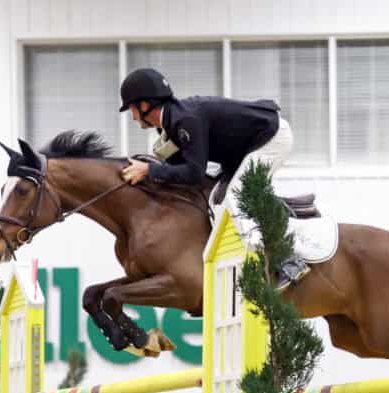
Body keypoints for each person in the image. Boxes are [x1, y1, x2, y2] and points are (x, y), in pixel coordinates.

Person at [117, 67, 309, 291]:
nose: (132, 116)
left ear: (145, 104)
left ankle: (290, 259)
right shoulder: (171, 125)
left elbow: (193, 173)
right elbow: (180, 171)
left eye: (132, 108)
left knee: (236, 197)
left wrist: (149, 171)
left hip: (271, 139)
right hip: (243, 149)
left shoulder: (185, 120)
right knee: (215, 197)